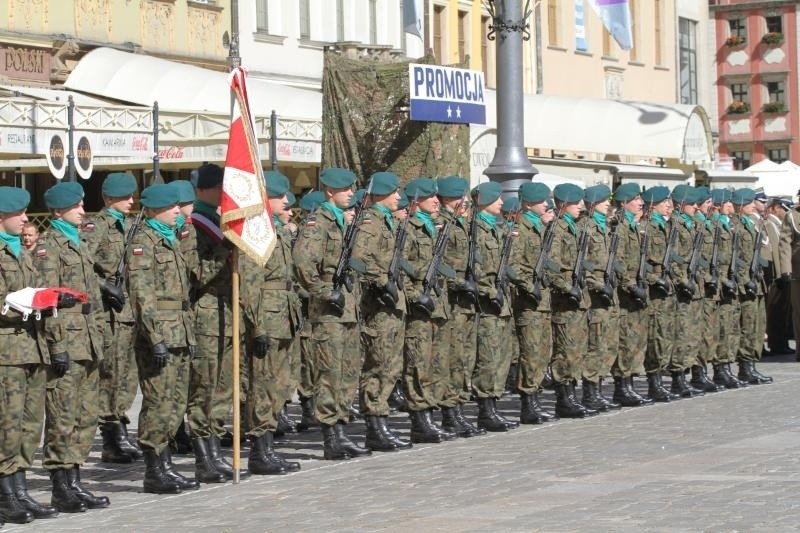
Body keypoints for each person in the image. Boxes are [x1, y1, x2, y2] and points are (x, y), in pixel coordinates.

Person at [36, 181, 109, 512]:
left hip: (88, 338)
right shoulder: (50, 246)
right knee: (62, 416)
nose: (83, 210)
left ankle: (75, 481)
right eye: (76, 206)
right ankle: (60, 486)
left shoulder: (77, 242)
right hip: (67, 338)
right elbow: (47, 298)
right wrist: (56, 345)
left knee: (85, 415)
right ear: (58, 211)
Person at [293, 167, 371, 460]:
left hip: (348, 310)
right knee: (329, 375)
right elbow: (302, 263)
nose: (351, 193)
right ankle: (330, 437)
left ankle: (341, 431)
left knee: (348, 374)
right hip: (329, 313)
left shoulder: (341, 221)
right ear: (329, 192)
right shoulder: (318, 223)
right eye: (346, 189)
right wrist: (325, 292)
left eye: (352, 188)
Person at [127, 183, 198, 494]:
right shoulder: (145, 242)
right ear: (156, 209)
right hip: (160, 333)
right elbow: (142, 295)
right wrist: (154, 337)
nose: (176, 211)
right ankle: (154, 469)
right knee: (158, 401)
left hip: (180, 328)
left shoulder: (170, 239)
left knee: (176, 400)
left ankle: (166, 464)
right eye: (171, 207)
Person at [0, 187, 57, 524]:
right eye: (18, 214)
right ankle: (6, 494)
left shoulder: (20, 251)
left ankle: (20, 489)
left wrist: (50, 301)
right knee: (7, 424)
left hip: (32, 348)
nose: (25, 219)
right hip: (7, 352)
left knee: (29, 424)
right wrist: (24, 303)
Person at [239, 171, 302, 474]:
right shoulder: (256, 231)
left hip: (285, 316)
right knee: (262, 385)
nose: (287, 202)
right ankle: (259, 450)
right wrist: (258, 326)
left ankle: (269, 445)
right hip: (268, 318)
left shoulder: (276, 229)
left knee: (281, 383)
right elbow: (250, 285)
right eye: (281, 197)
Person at [83, 172, 143, 464]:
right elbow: (81, 267)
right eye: (124, 197)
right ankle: (111, 438)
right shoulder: (97, 226)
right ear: (108, 199)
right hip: (107, 313)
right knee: (110, 373)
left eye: (131, 196)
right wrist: (103, 286)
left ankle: (120, 427)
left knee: (126, 376)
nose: (131, 201)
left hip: (128, 311)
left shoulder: (131, 226)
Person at [352, 171, 413, 451]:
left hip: (392, 305)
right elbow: (359, 260)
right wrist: (381, 282)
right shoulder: (371, 222)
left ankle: (380, 422)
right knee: (379, 366)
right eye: (394, 192)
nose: (399, 197)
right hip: (379, 307)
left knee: (390, 367)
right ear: (381, 194)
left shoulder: (387, 222)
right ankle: (374, 426)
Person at [185, 164, 236, 483]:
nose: (223, 192)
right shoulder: (194, 226)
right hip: (205, 314)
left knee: (222, 388)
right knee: (204, 387)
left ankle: (216, 450)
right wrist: (224, 250)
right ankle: (204, 457)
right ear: (202, 189)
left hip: (226, 313)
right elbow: (197, 275)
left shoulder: (218, 220)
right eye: (218, 187)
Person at [400, 177, 456, 443]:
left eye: (436, 196)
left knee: (437, 364)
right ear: (415, 200)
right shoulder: (408, 229)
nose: (436, 200)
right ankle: (419, 421)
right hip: (419, 310)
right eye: (430, 196)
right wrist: (414, 296)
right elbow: (400, 268)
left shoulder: (435, 227)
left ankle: (431, 415)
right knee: (417, 365)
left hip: (438, 306)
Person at [436, 176, 483, 437]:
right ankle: (449, 413)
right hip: (452, 302)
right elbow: (439, 262)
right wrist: (458, 282)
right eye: (458, 198)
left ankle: (458, 410)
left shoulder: (462, 223)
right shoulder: (442, 224)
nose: (463, 202)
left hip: (465, 303)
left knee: (464, 358)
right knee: (452, 359)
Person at [508, 181, 560, 422]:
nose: (546, 205)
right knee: (530, 353)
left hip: (543, 301)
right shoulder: (522, 229)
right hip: (529, 302)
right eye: (541, 201)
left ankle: (535, 399)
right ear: (529, 203)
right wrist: (530, 288)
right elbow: (513, 267)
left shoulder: (540, 227)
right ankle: (528, 404)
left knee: (542, 352)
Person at [471, 181, 519, 431]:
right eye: (497, 198)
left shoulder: (496, 229)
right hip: (486, 305)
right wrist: (490, 292)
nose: (502, 203)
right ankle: (485, 410)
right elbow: (474, 271)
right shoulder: (476, 230)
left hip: (501, 302)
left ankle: (494, 406)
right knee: (488, 359)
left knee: (501, 356)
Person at [548, 183, 597, 418]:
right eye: (575, 202)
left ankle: (572, 396)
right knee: (566, 352)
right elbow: (552, 267)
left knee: (577, 351)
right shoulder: (557, 230)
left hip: (578, 299)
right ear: (563, 204)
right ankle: (564, 399)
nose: (580, 206)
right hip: (565, 301)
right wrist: (568, 288)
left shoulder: (573, 227)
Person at [610, 183, 652, 407]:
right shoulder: (620, 227)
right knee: (626, 341)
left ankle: (629, 385)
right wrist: (630, 285)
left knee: (635, 341)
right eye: (635, 199)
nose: (640, 203)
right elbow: (619, 262)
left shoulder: (633, 226)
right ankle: (621, 387)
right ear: (625, 202)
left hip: (636, 292)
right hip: (625, 295)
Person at [581, 184, 622, 411]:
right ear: (594, 202)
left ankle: (597, 390)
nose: (609, 204)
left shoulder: (604, 227)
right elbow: (583, 264)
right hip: (595, 296)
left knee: (606, 344)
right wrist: (597, 285)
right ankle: (589, 393)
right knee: (595, 345)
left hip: (608, 293)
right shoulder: (586, 227)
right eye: (605, 200)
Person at [641, 186, 679, 402]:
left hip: (668, 291)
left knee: (666, 336)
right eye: (664, 201)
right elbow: (640, 263)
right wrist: (656, 280)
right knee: (656, 338)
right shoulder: (646, 227)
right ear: (653, 204)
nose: (669, 205)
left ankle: (661, 381)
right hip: (655, 293)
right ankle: (654, 383)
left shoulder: (667, 225)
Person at [731, 188, 773, 385]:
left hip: (756, 281)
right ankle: (745, 368)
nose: (751, 205)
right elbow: (735, 259)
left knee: (757, 326)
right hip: (745, 284)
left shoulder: (751, 223)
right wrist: (743, 280)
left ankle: (751, 365)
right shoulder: (736, 226)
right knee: (747, 327)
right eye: (748, 202)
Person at [668, 185, 705, 398]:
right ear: (681, 204)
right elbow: (672, 259)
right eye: (691, 204)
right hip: (682, 289)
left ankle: (691, 373)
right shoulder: (676, 224)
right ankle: (678, 378)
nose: (695, 207)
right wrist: (683, 281)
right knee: (681, 335)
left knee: (692, 334)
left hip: (694, 285)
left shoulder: (692, 223)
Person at [763, 198, 792, 354]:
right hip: (777, 275)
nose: (785, 212)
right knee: (776, 312)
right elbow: (777, 251)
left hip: (782, 274)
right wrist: (781, 274)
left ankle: (781, 343)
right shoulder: (771, 224)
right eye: (783, 209)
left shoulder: (779, 224)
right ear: (774, 208)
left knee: (782, 311)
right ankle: (777, 344)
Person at [779, 192, 800, 361]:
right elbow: (784, 244)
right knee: (798, 312)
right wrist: (786, 270)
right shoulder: (792, 216)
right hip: (798, 273)